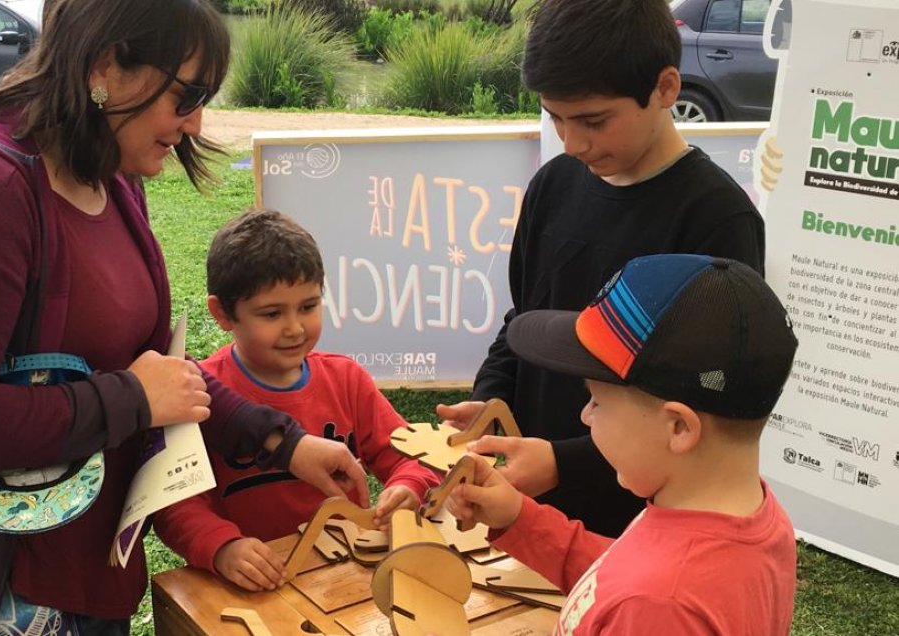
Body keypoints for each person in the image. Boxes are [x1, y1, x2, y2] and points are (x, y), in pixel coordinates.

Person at [0, 1, 367, 634]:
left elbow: (157, 371)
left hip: (85, 569)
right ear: (106, 65)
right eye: (187, 94)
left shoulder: (111, 178)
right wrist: (131, 399)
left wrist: (283, 442)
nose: (195, 122)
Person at [437, 0, 766, 538]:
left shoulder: (717, 218)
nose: (573, 142)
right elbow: (524, 317)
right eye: (556, 118)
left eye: (593, 120)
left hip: (643, 521)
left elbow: (706, 408)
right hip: (530, 505)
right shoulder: (553, 185)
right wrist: (491, 395)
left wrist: (564, 462)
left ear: (665, 88)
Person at [447, 253, 799, 635]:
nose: (585, 415)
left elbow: (642, 594)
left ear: (679, 427)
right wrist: (517, 516)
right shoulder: (745, 518)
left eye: (597, 400)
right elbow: (614, 574)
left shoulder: (659, 605)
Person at [154, 209, 440, 592]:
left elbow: (411, 457)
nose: (294, 327)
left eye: (308, 306)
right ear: (222, 313)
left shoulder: (347, 380)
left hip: (348, 576)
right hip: (253, 584)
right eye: (272, 313)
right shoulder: (200, 394)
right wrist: (222, 547)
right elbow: (176, 503)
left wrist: (407, 487)